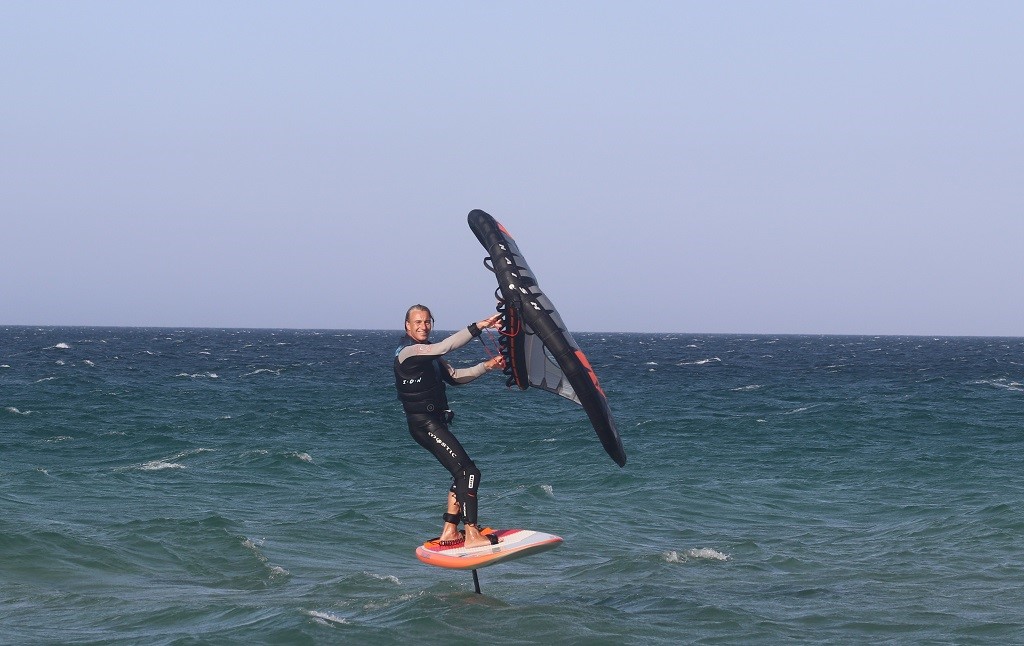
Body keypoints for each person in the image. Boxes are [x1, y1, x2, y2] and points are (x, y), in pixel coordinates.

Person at [394, 304, 505, 548]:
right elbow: (444, 346)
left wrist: (488, 366)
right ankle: (473, 534)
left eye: (427, 322)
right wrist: (480, 326)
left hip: (433, 423)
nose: (423, 326)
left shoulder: (429, 356)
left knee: (461, 473)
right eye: (418, 322)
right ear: (407, 326)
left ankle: (449, 531)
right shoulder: (408, 353)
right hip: (425, 424)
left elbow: (454, 377)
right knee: (470, 473)